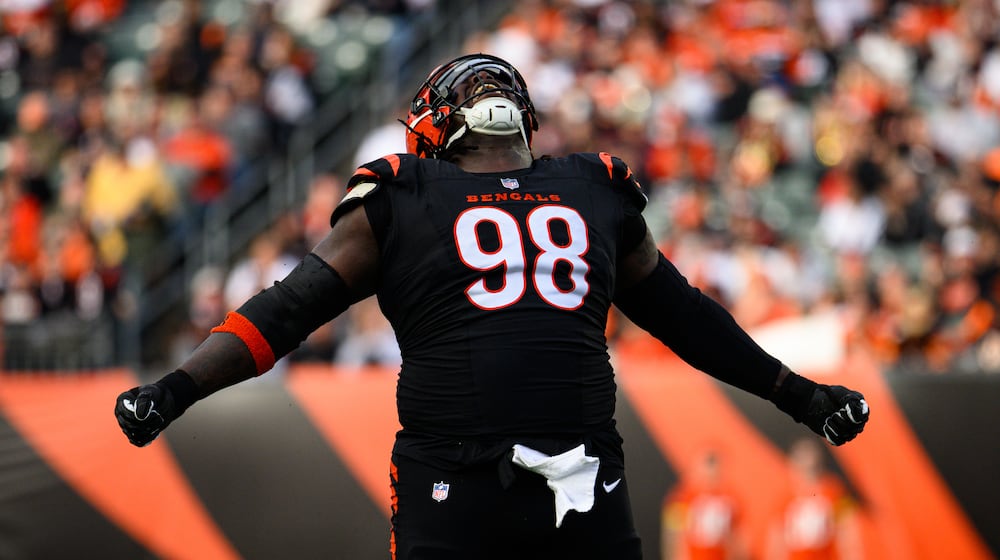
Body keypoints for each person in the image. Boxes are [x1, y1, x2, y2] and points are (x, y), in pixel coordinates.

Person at [115, 53, 870, 559]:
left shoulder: (405, 194)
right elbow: (691, 320)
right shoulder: (589, 187)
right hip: (571, 478)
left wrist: (174, 390)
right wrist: (800, 397)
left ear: (433, 131)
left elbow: (282, 313)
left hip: (464, 481)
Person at [765, 438, 863, 560]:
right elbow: (777, 536)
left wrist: (851, 555)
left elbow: (847, 529)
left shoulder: (834, 490)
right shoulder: (785, 498)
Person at [661, 450, 746, 560]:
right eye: (707, 466)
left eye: (715, 466)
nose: (711, 472)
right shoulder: (680, 498)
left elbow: (739, 538)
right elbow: (672, 536)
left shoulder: (731, 500)